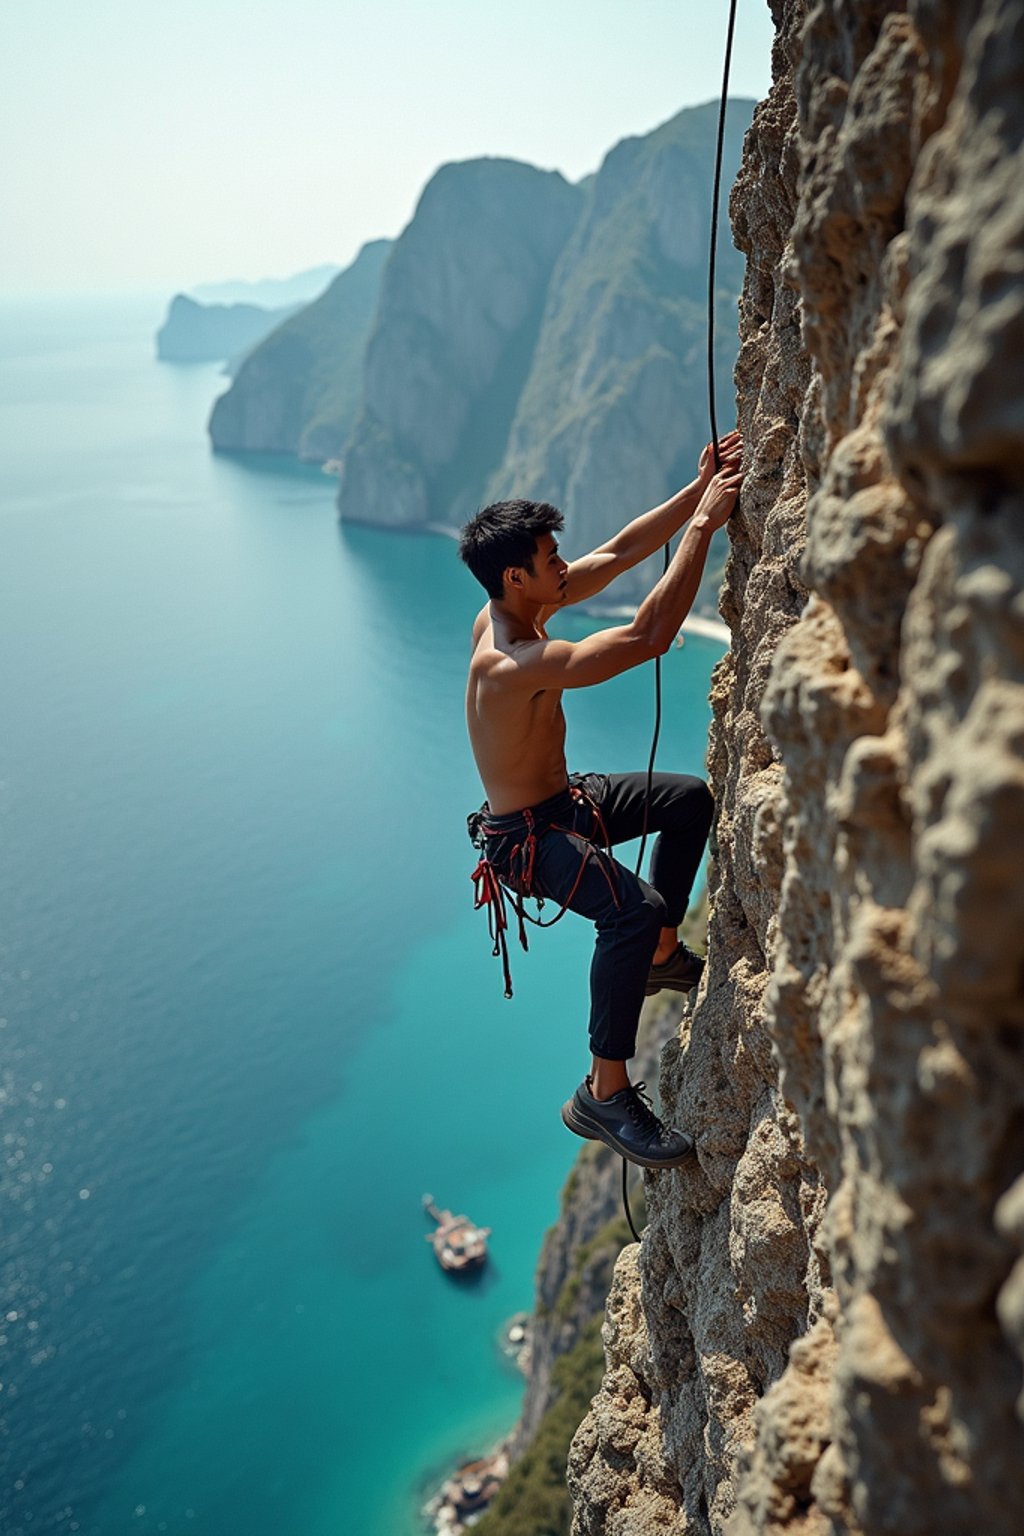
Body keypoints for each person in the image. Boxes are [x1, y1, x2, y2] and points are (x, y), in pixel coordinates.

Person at [459, 433, 745, 1168]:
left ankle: (655, 956)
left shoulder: (512, 610)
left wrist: (696, 491)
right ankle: (604, 1093)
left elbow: (618, 554)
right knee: (632, 906)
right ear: (518, 576)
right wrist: (706, 527)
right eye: (553, 561)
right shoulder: (511, 662)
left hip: (563, 804)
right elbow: (650, 634)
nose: (566, 567)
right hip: (525, 841)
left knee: (687, 801)